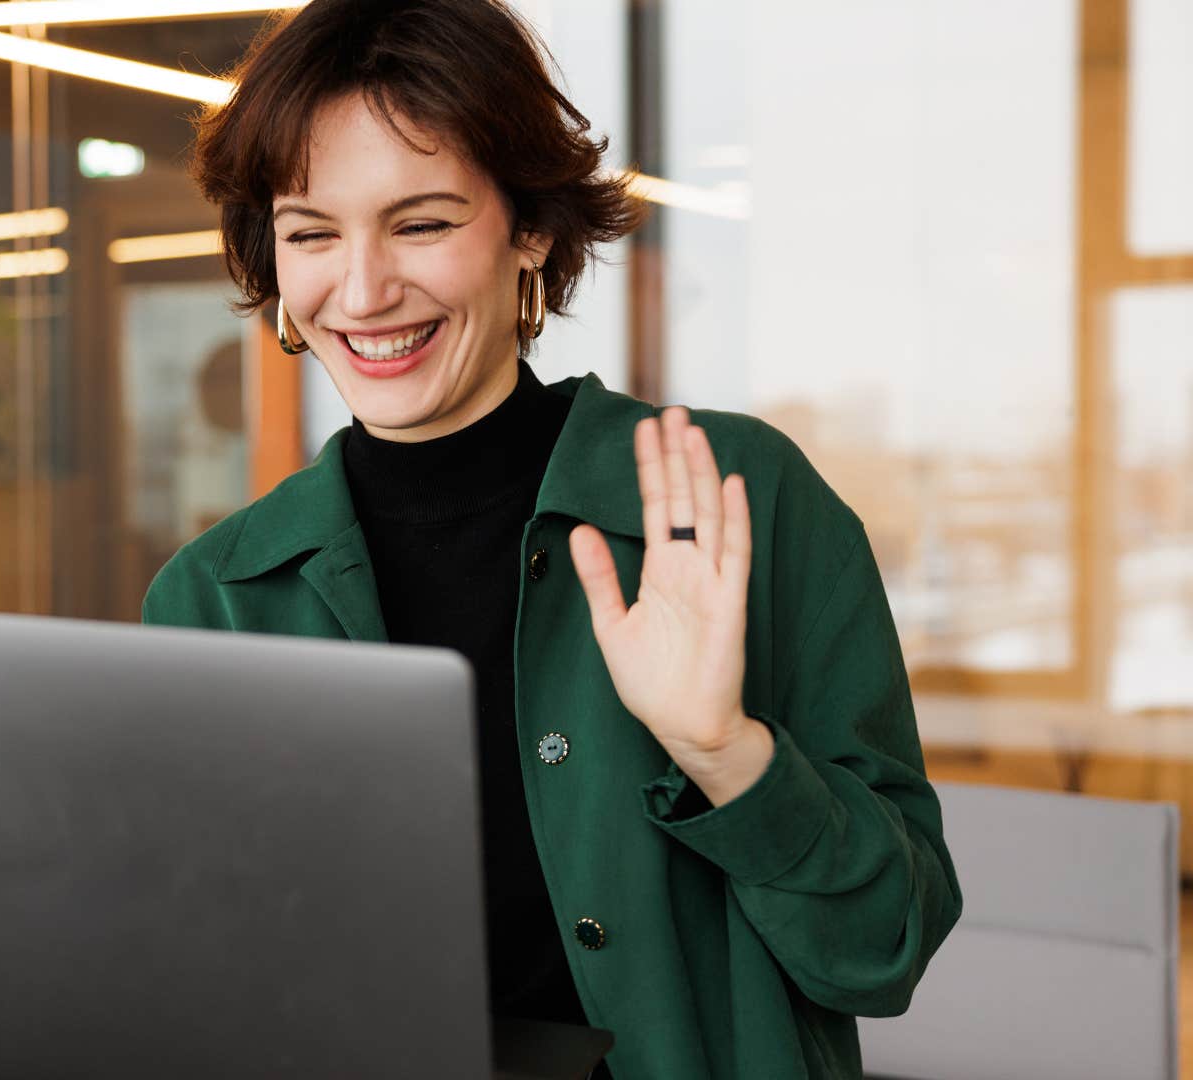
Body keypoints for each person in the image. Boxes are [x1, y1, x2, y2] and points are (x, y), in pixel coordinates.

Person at [140, 1, 963, 1077]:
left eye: (422, 222)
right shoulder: (216, 598)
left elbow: (879, 954)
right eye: (310, 233)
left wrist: (726, 752)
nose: (363, 288)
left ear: (529, 227)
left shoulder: (734, 500)